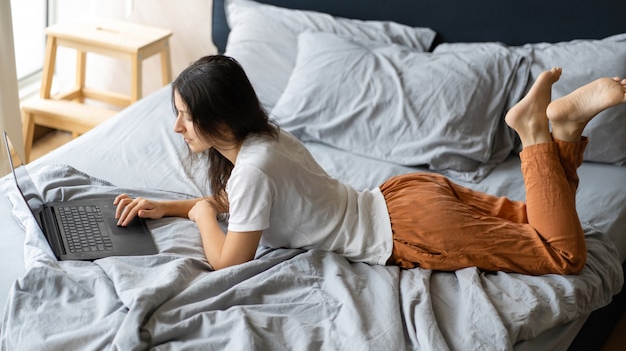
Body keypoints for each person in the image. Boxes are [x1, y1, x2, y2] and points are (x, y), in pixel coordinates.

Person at [114, 55, 626, 275]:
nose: (178, 129)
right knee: (539, 219)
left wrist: (202, 216)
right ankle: (562, 128)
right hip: (406, 195)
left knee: (562, 256)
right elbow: (241, 202)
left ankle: (537, 133)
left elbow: (228, 264)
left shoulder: (251, 169)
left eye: (183, 116)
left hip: (411, 230)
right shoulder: (266, 140)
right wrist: (173, 206)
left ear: (218, 119)